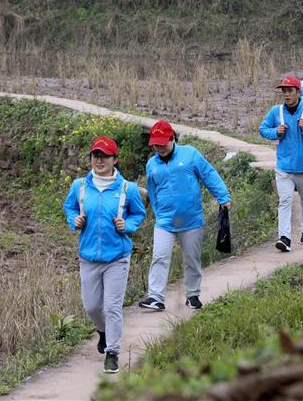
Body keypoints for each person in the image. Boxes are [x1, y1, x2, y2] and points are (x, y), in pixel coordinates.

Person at [63, 135, 146, 374]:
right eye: (96, 156)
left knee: (112, 307)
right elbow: (69, 207)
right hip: (88, 257)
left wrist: (127, 225)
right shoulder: (79, 186)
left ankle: (112, 353)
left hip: (117, 257)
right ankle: (103, 331)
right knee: (91, 307)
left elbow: (138, 214)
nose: (99, 161)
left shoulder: (127, 189)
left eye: (105, 156)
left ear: (115, 159)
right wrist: (74, 220)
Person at [138, 120, 231, 312]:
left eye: (163, 143)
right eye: (156, 144)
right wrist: (158, 212)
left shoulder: (190, 154)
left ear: (172, 138)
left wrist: (223, 197)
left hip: (191, 219)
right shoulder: (151, 164)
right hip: (165, 221)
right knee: (159, 257)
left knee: (191, 259)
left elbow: (208, 174)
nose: (159, 147)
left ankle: (192, 295)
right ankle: (155, 297)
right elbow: (152, 191)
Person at [259, 75, 303, 251]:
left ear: (298, 92)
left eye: (290, 90)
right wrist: (276, 132)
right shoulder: (276, 112)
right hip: (284, 167)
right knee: (285, 201)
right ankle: (284, 238)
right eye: (284, 91)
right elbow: (263, 129)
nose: (286, 94)